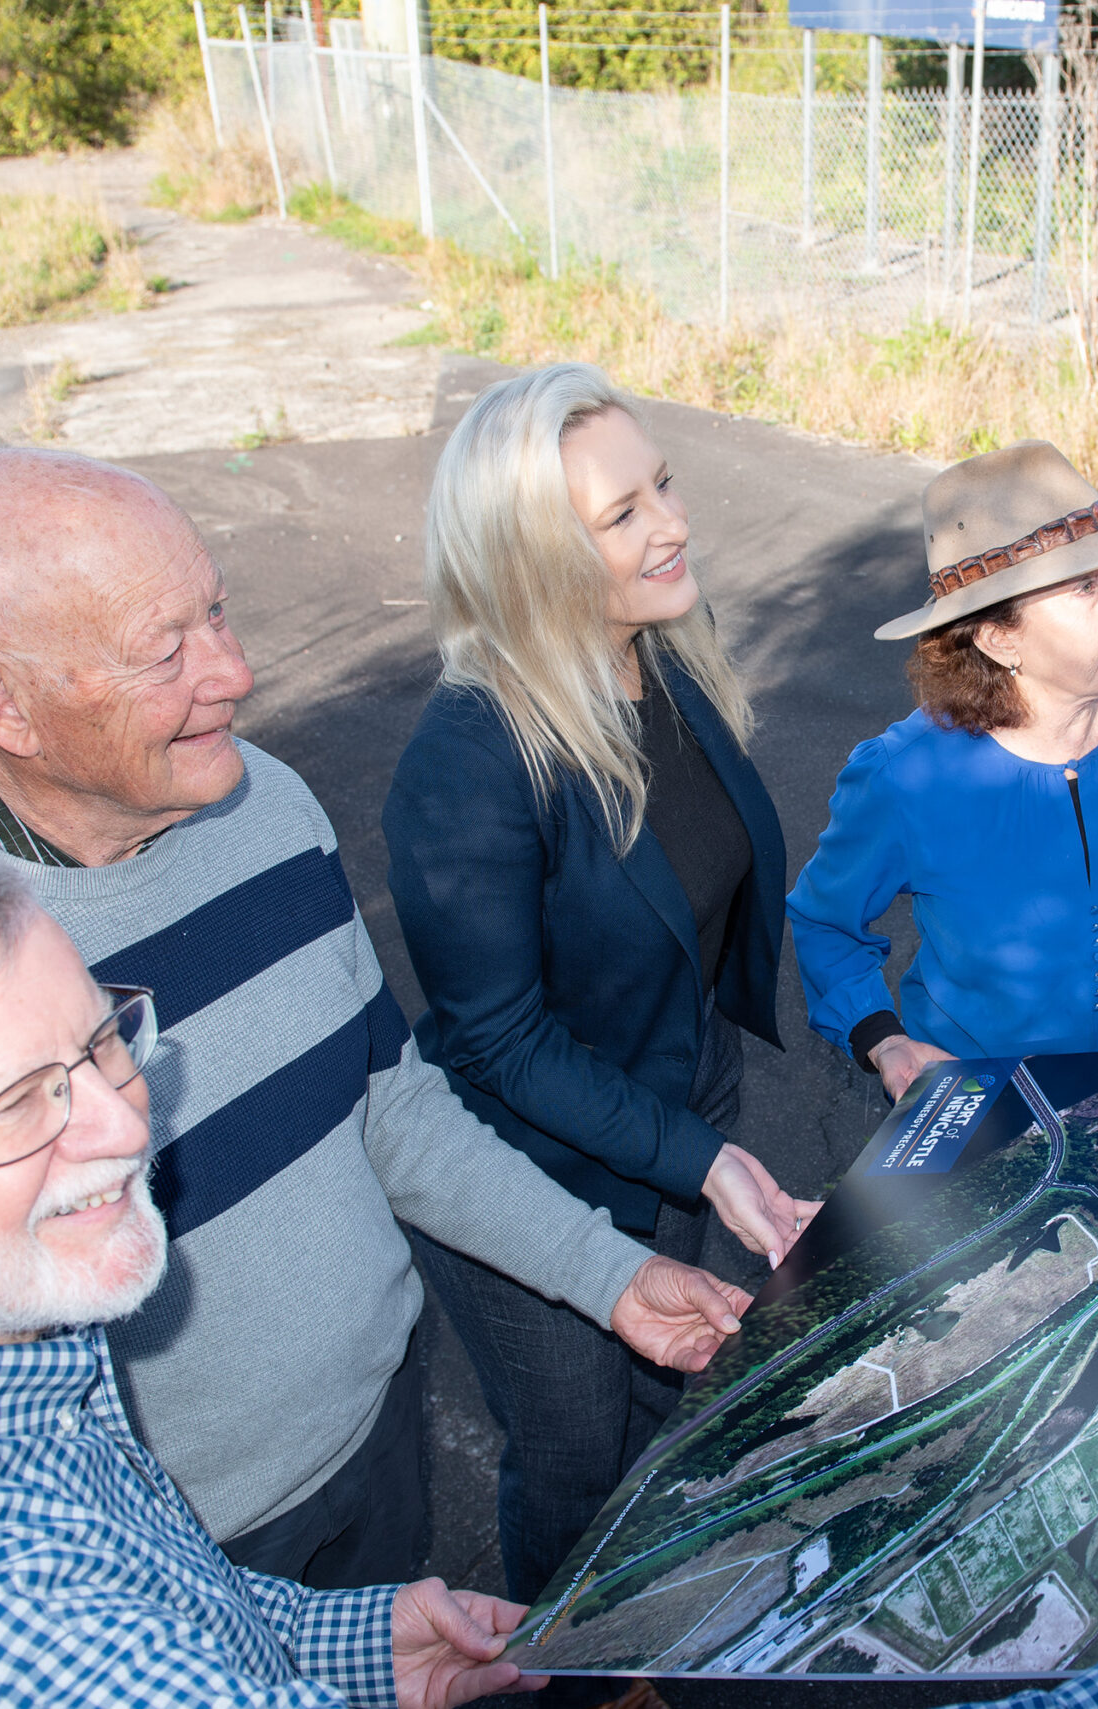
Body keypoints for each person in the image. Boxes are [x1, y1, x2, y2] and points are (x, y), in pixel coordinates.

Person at [0, 829, 1098, 1709]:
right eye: (20, 1102)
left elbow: (159, 1598)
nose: (119, 1127)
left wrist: (337, 1637)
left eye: (104, 1042)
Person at [0, 446, 755, 1593]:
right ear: (2, 700)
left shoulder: (259, 800)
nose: (236, 672)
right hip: (150, 1559)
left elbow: (384, 1103)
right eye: (168, 648)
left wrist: (604, 1271)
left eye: (218, 612)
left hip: (375, 1444)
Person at [384, 364, 817, 1605]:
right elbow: (500, 1045)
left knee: (651, 1417)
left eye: (662, 486)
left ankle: (636, 1627)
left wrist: (701, 1124)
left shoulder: (663, 655)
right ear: (528, 556)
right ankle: (564, 1669)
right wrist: (699, 1153)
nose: (671, 524)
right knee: (575, 1459)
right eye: (619, 515)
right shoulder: (467, 757)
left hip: (671, 1127)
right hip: (536, 1176)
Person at [787, 440, 1098, 1100]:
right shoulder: (905, 777)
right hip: (973, 1107)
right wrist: (884, 1037)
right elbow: (825, 920)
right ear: (999, 638)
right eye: (1086, 588)